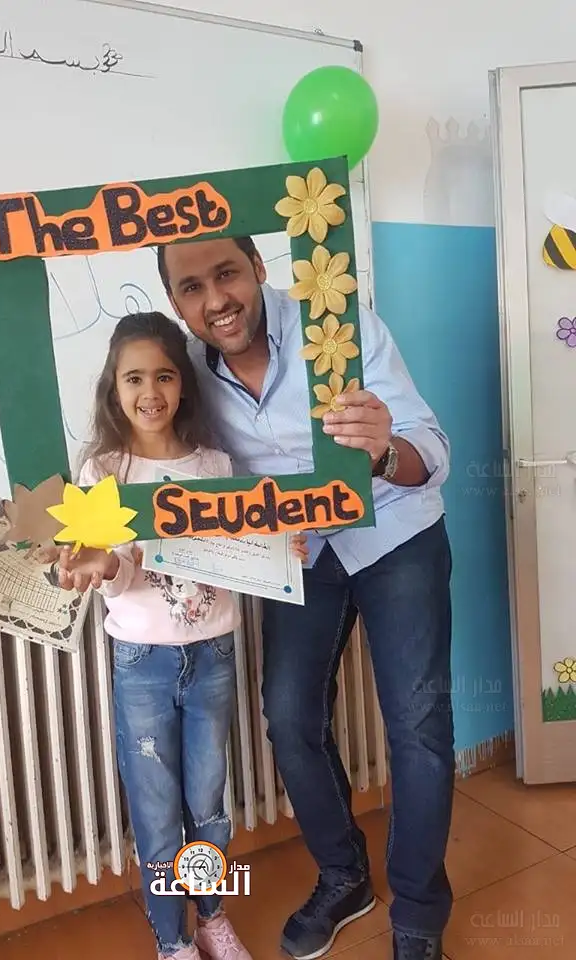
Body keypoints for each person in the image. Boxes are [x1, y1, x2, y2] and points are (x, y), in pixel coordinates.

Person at [155, 237, 454, 960]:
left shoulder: (339, 326)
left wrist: (385, 450)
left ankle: (418, 915)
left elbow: (431, 451)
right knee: (289, 718)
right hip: (300, 556)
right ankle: (345, 877)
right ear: (176, 302)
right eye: (192, 287)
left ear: (260, 268)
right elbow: (152, 456)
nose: (216, 300)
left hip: (396, 534)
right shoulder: (186, 372)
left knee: (418, 726)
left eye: (227, 273)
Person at [56, 311, 306, 960]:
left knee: (209, 804)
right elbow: (112, 575)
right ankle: (173, 942)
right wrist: (105, 566)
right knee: (158, 812)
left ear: (184, 385)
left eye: (165, 376)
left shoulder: (216, 465)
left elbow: (247, 550)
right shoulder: (103, 473)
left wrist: (283, 549)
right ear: (113, 387)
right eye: (134, 378)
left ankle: (212, 915)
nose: (150, 392)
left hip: (213, 655)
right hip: (141, 662)